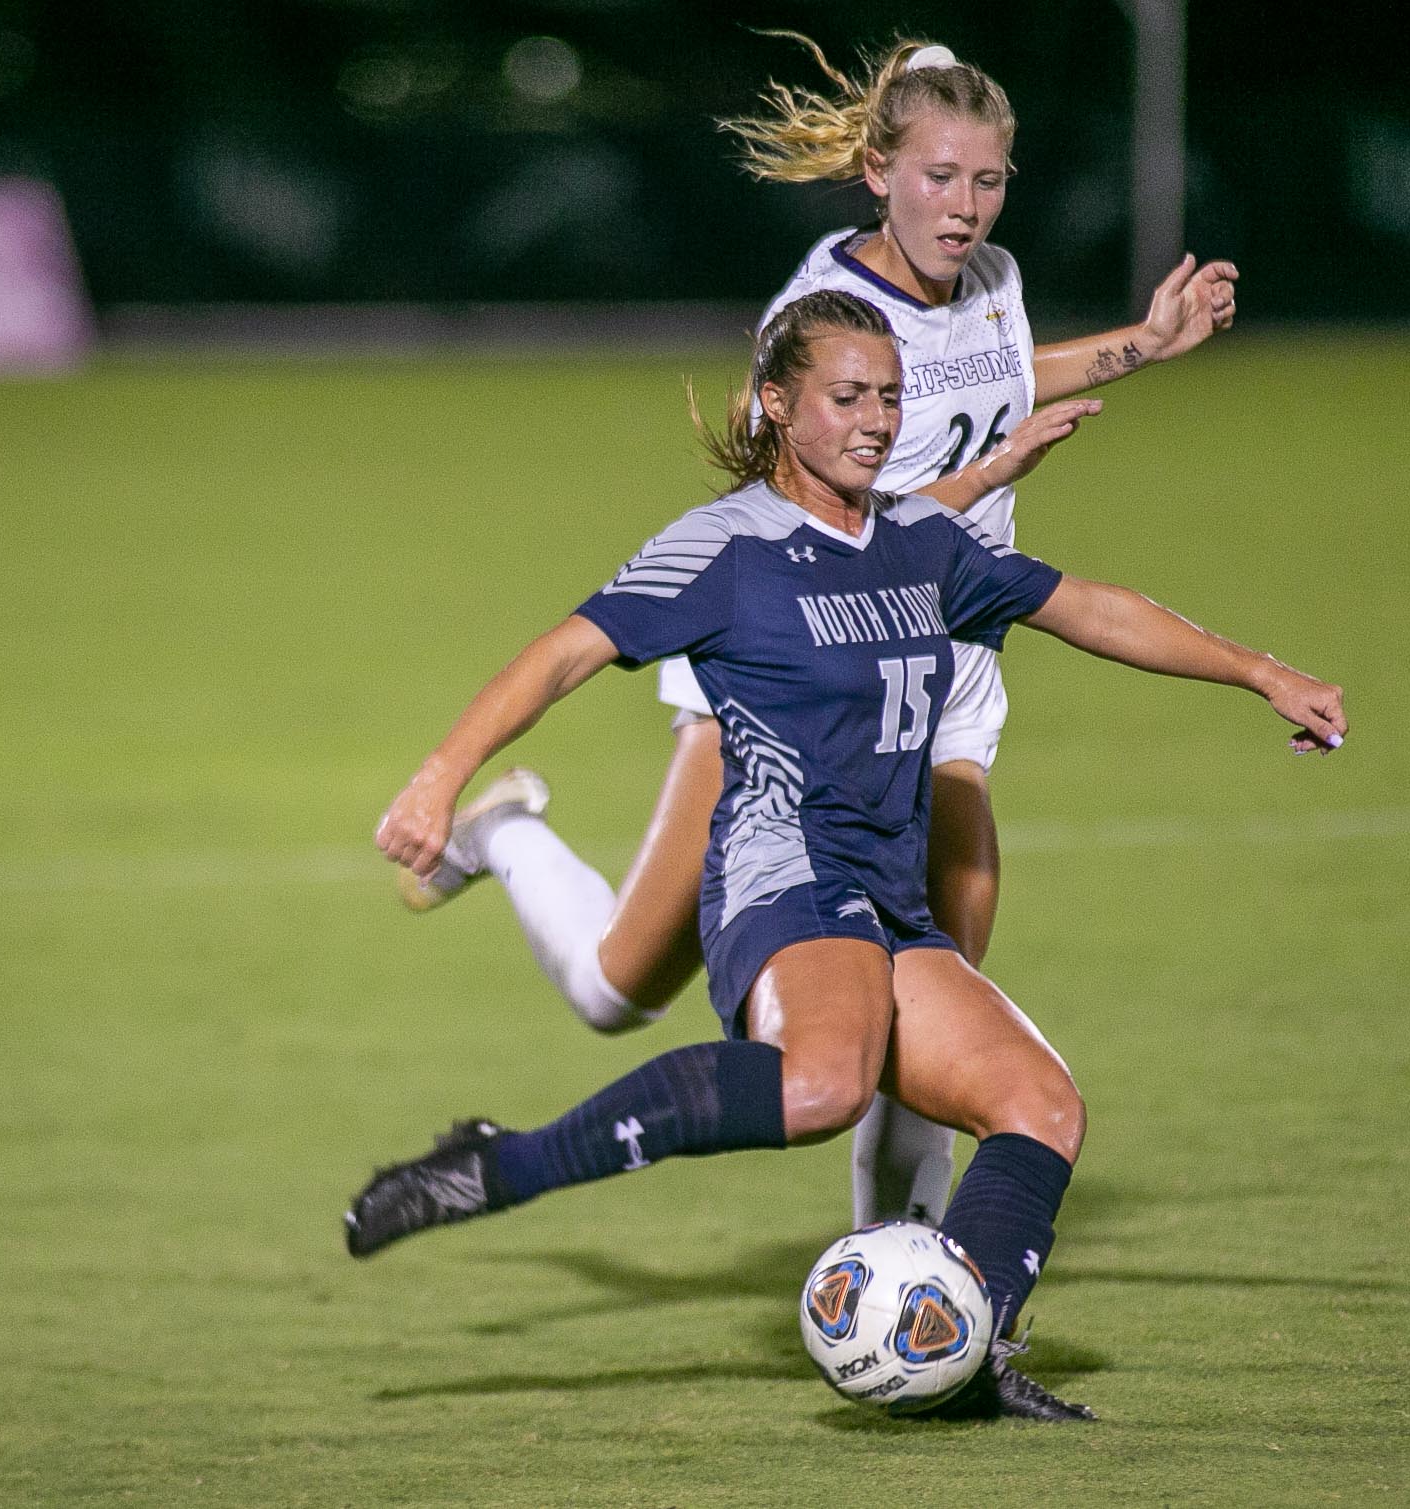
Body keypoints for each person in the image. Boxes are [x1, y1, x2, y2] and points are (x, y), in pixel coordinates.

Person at [350, 290, 1346, 1421]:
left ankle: (962, 1353)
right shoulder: (724, 548)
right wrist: (438, 776)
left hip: (887, 895)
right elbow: (561, 656)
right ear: (777, 404)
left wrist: (1262, 671)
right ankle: (496, 1165)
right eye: (844, 397)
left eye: (887, 396)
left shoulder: (920, 543)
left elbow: (1090, 612)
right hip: (781, 878)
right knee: (820, 1084)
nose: (873, 419)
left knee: (1038, 1104)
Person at [396, 34, 1244, 1233]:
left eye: (985, 180)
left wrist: (1138, 348)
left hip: (944, 681)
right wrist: (977, 485)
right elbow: (826, 534)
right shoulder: (816, 320)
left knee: (941, 977)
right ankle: (508, 839)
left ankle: (901, 1283)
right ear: (877, 171)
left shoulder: (990, 281)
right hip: (794, 676)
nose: (962, 206)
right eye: (938, 178)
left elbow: (990, 374)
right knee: (613, 990)